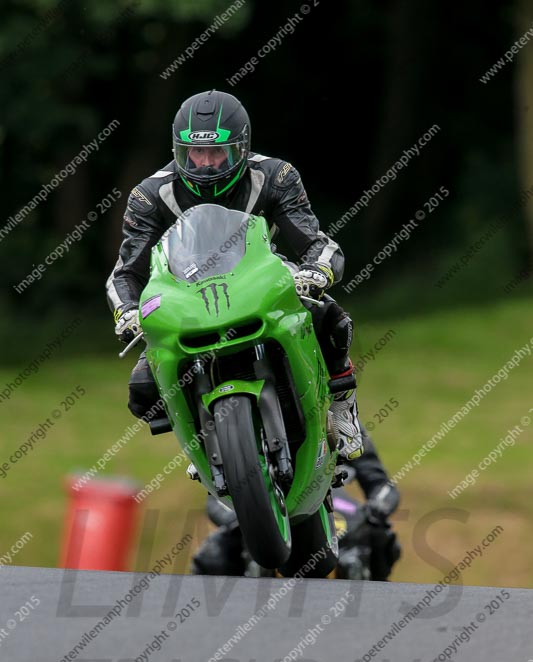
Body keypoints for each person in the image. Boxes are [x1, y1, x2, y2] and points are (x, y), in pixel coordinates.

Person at [106, 89, 363, 460]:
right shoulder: (150, 195)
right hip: (185, 298)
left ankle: (343, 408)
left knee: (331, 318)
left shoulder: (276, 175)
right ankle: (198, 445)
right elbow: (125, 272)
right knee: (143, 388)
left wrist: (316, 271)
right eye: (196, 152)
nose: (206, 164)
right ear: (179, 150)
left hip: (259, 279)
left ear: (240, 149)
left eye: (216, 153)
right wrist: (127, 312)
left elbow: (317, 242)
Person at [191, 425, 401, 580]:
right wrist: (246, 514)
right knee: (215, 552)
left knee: (383, 538)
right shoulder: (243, 429)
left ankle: (374, 605)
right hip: (268, 509)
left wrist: (376, 509)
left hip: (333, 504)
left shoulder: (341, 423)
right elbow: (214, 498)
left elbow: (382, 486)